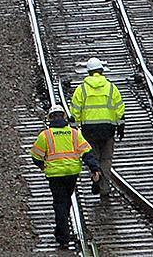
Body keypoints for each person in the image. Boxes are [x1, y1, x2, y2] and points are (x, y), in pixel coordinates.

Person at [31, 104, 102, 248]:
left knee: (59, 203)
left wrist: (42, 166)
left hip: (55, 175)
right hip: (71, 173)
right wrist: (94, 168)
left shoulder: (45, 135)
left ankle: (63, 237)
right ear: (64, 117)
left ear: (50, 118)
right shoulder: (74, 133)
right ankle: (61, 231)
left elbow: (36, 155)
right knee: (66, 201)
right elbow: (87, 153)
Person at [70, 57, 124, 197]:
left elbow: (75, 110)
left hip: (89, 130)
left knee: (93, 157)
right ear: (101, 71)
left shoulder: (82, 89)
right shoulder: (111, 87)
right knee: (106, 159)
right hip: (108, 129)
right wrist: (120, 125)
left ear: (88, 72)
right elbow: (119, 108)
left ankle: (95, 175)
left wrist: (75, 128)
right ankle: (104, 188)